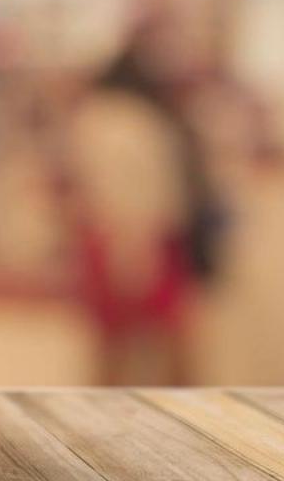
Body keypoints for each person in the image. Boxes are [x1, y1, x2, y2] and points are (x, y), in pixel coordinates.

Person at [65, 39, 223, 386]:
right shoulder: (143, 121)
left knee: (114, 345)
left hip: (111, 235)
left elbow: (90, 186)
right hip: (146, 236)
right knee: (170, 341)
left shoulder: (93, 118)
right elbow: (151, 190)